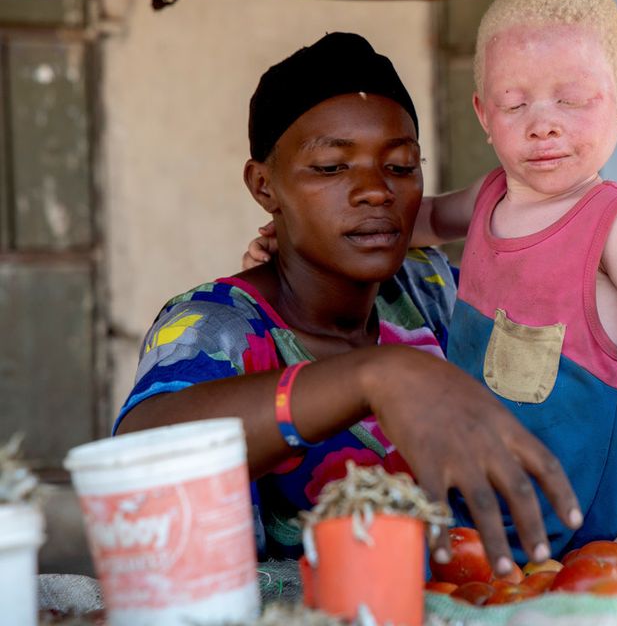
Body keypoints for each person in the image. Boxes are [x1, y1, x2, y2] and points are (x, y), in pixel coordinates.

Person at [247, 0, 617, 558]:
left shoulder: (616, 227)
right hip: (473, 515)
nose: (541, 123)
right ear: (482, 114)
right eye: (514, 103)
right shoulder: (491, 196)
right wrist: (292, 239)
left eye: (570, 100)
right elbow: (412, 221)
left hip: (572, 533)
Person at [115, 32, 581, 577]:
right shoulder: (215, 326)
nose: (375, 191)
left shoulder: (431, 292)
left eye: (401, 167)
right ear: (264, 187)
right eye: (332, 168)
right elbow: (137, 460)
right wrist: (372, 377)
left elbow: (571, 343)